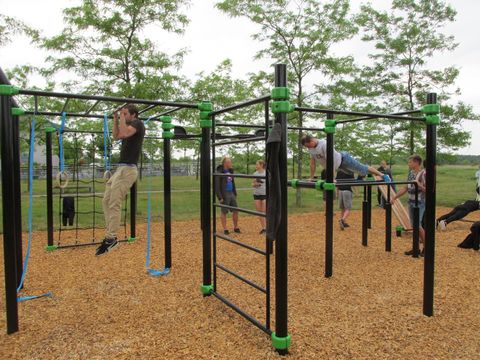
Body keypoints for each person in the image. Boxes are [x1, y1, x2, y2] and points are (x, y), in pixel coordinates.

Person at [96, 104, 145, 256]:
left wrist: (121, 117)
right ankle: (110, 233)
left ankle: (111, 238)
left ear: (133, 114)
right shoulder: (127, 125)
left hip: (128, 170)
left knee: (114, 202)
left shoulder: (138, 123)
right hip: (121, 169)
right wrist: (115, 120)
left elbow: (124, 133)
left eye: (125, 114)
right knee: (106, 200)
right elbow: (116, 135)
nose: (123, 116)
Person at [301, 135, 390, 181]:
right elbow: (312, 164)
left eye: (308, 146)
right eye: (307, 147)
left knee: (362, 168)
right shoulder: (311, 149)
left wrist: (332, 178)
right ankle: (369, 174)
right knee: (360, 172)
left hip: (344, 159)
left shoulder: (324, 144)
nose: (308, 148)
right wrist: (311, 177)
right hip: (339, 166)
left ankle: (383, 175)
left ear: (312, 140)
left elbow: (330, 161)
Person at [392, 155, 426, 256]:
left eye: (410, 162)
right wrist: (394, 197)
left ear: (416, 163)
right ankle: (415, 248)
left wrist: (418, 184)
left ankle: (426, 247)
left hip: (420, 202)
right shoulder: (411, 173)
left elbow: (427, 189)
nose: (408, 164)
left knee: (417, 225)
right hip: (411, 201)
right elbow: (406, 187)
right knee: (413, 225)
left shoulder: (423, 174)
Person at [215, 157, 240, 235]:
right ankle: (225, 229)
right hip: (224, 193)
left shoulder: (230, 171)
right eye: (229, 162)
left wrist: (235, 193)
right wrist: (220, 197)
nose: (231, 163)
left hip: (231, 193)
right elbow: (217, 185)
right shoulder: (219, 172)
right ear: (225, 163)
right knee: (224, 211)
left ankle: (236, 227)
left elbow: (233, 183)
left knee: (236, 210)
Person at [252, 160, 266, 234]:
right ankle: (264, 228)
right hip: (256, 194)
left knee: (264, 212)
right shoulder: (255, 173)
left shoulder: (266, 173)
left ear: (261, 165)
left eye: (257, 164)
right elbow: (253, 184)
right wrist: (255, 184)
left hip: (265, 194)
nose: (256, 166)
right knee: (259, 212)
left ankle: (268, 227)